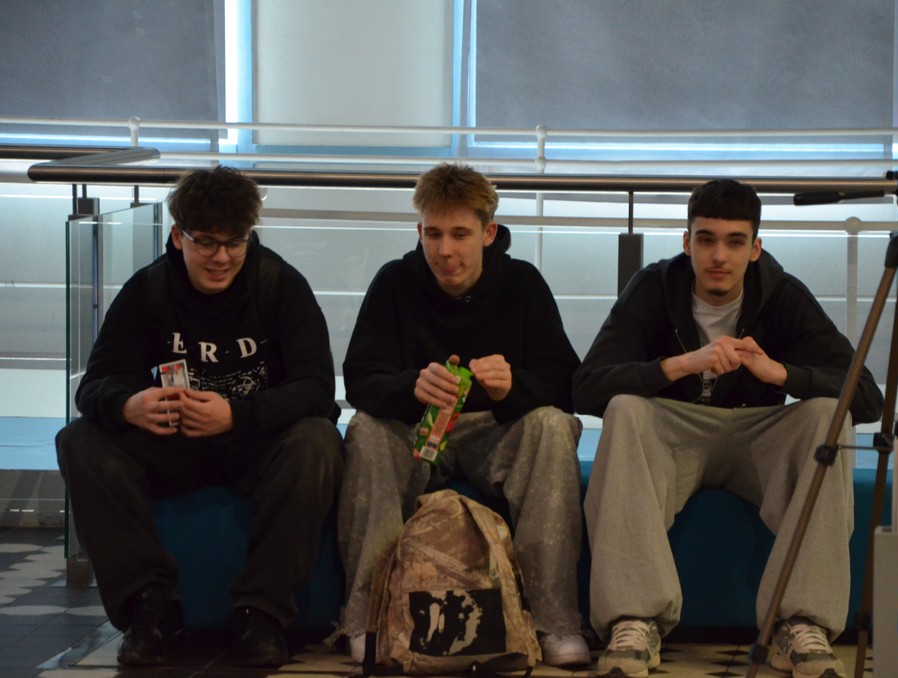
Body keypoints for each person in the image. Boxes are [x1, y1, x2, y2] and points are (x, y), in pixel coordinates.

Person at [573, 179, 884, 678]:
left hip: (757, 434)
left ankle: (799, 622)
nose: (719, 256)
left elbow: (867, 397)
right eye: (706, 239)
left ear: (755, 248)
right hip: (676, 433)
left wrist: (782, 374)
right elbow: (586, 387)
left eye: (735, 242)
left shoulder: (782, 294)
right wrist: (680, 365)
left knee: (829, 415)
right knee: (626, 409)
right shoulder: (654, 287)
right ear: (687, 242)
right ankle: (634, 619)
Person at [55, 166, 343, 668]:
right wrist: (129, 404)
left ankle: (262, 612)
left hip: (254, 446)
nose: (221, 257)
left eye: (235, 242)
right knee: (79, 440)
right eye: (206, 242)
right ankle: (150, 608)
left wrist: (238, 415)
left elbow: (317, 390)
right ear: (177, 236)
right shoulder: (149, 289)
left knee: (318, 442)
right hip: (172, 446)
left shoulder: (279, 284)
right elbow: (96, 384)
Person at [336, 162, 590, 668]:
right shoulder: (394, 282)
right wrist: (410, 387)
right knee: (365, 429)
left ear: (488, 233)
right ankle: (367, 617)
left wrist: (513, 386)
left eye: (459, 235)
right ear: (419, 232)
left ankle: (555, 621)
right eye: (433, 234)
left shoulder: (522, 283)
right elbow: (360, 377)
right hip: (417, 431)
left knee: (554, 426)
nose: (444, 250)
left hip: (495, 431)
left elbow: (567, 381)